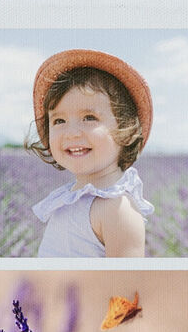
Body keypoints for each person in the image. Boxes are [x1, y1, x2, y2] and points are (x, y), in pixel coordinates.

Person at [27, 49, 155, 258]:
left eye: (89, 118)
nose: (71, 133)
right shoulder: (68, 198)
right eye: (59, 121)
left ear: (126, 129)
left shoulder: (117, 209)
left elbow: (125, 277)